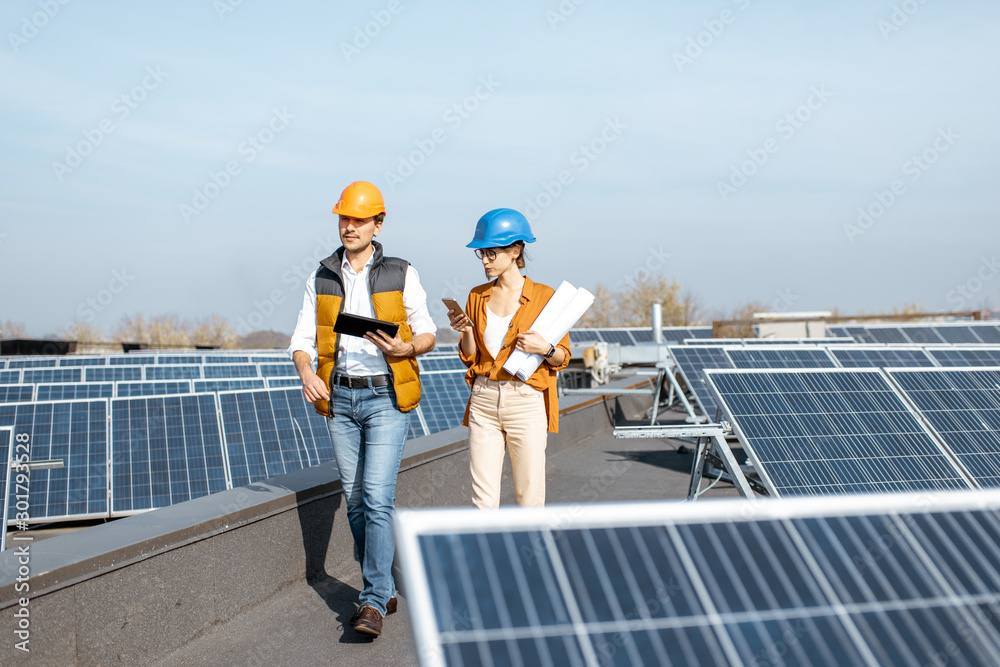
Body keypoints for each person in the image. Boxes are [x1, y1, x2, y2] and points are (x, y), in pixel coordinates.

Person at [288, 180, 436, 637]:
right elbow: (301, 342)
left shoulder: (400, 272)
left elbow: (429, 334)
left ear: (378, 223)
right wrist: (307, 373)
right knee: (355, 502)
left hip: (386, 397)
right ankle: (386, 586)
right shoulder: (322, 275)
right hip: (341, 398)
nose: (348, 226)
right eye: (343, 218)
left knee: (376, 497)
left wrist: (404, 347)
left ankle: (371, 599)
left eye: (357, 219)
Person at [448, 208, 571, 509]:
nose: (485, 260)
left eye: (491, 253)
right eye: (481, 254)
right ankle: (489, 557)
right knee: (483, 500)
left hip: (525, 401)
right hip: (483, 400)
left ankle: (529, 556)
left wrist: (544, 348)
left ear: (515, 250)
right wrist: (465, 331)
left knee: (529, 497)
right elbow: (470, 356)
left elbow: (562, 358)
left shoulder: (545, 296)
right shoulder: (477, 296)